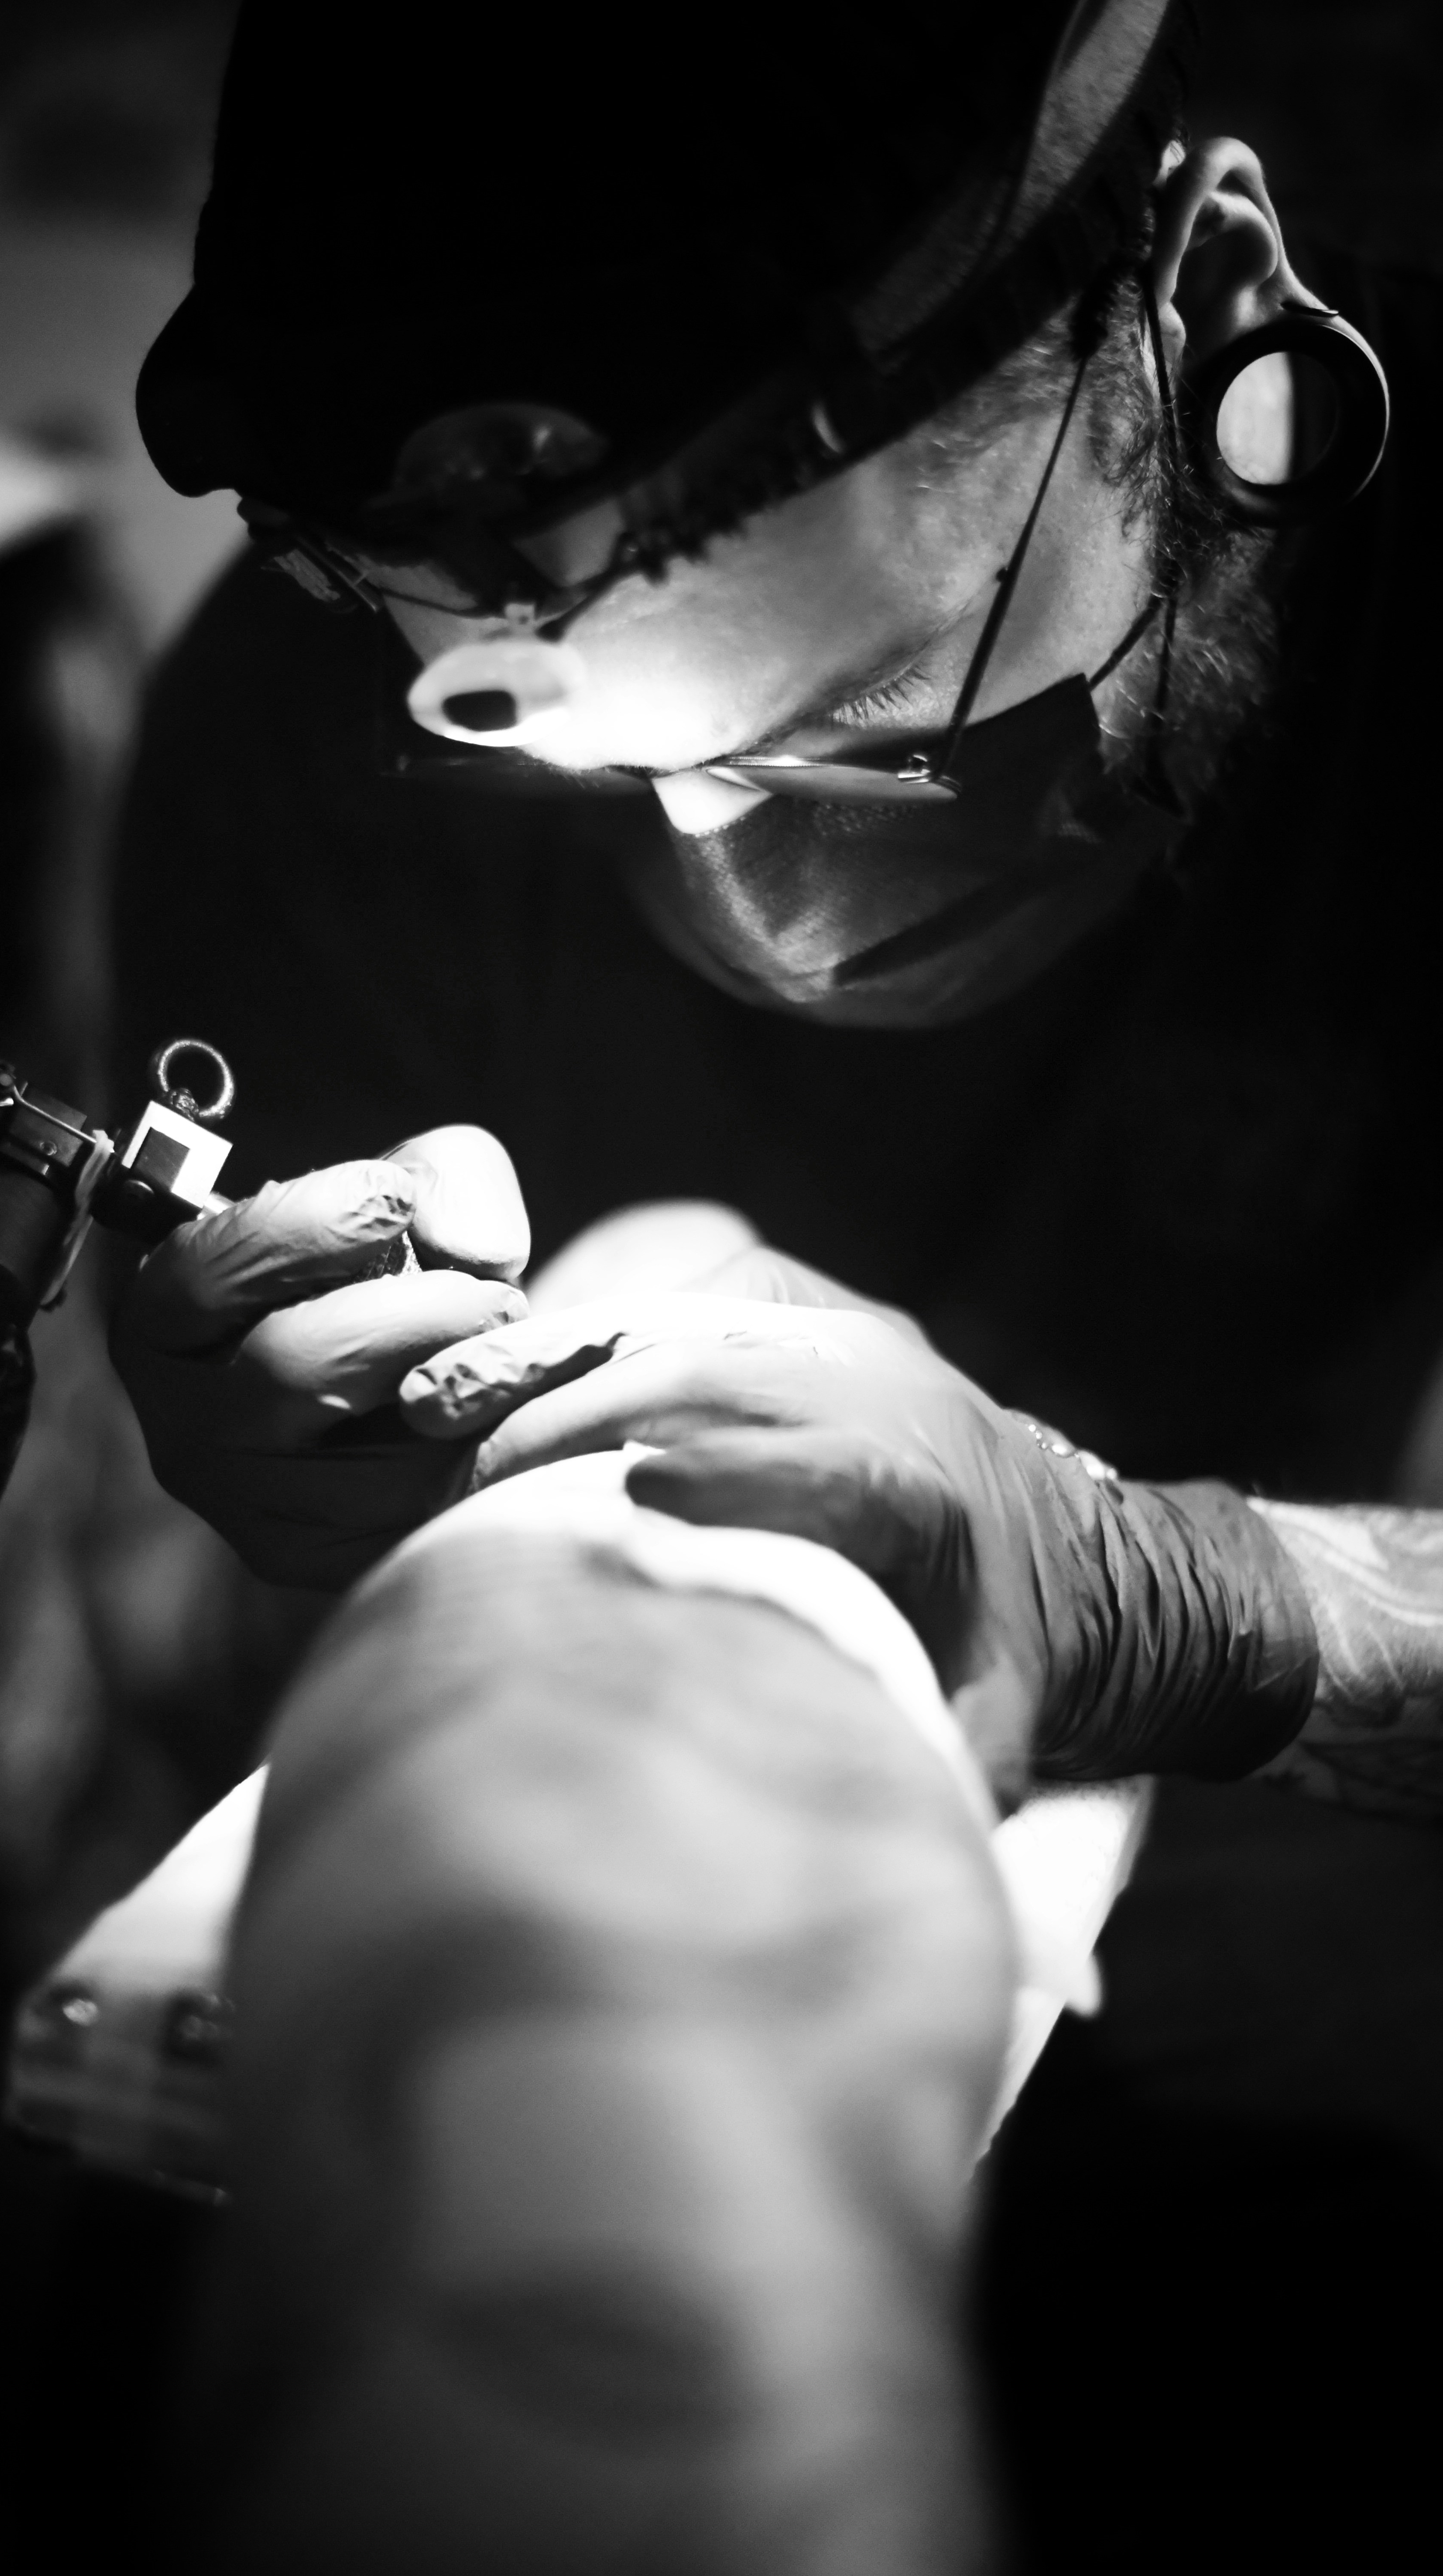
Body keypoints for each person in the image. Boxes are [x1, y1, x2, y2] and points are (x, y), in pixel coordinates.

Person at [104, 1, 1443, 2563]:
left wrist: (1213, 1608)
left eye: (862, 727)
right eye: (606, 777)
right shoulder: (294, 742)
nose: (762, 895)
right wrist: (263, 1419)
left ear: (1207, 316)